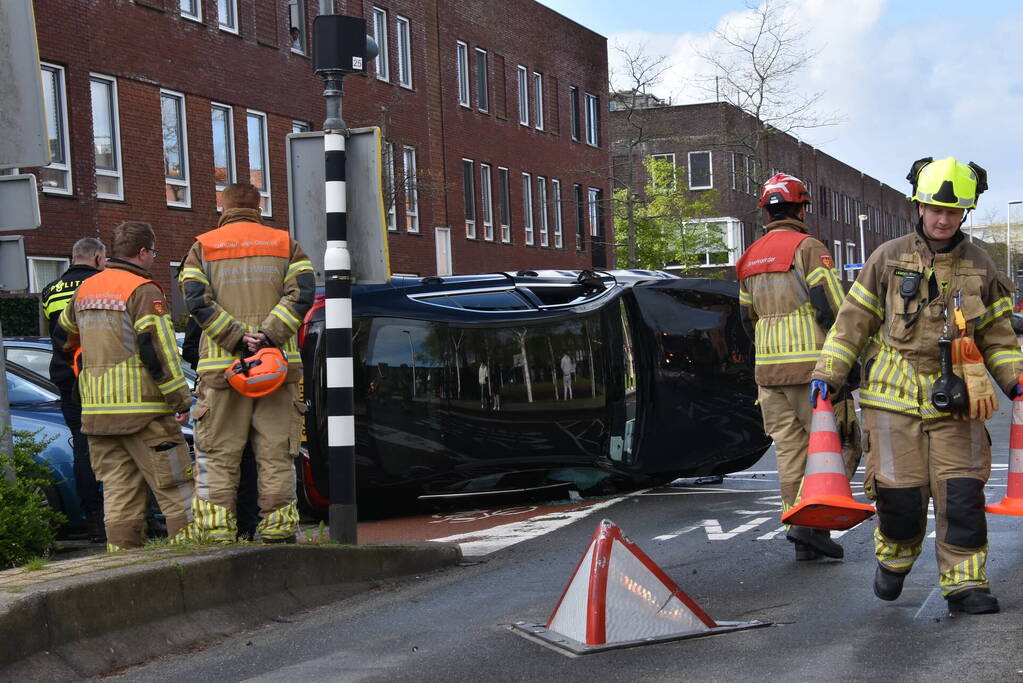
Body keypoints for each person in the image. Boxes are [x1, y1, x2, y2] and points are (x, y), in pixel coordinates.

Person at [812, 157, 1023, 614]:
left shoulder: (980, 264)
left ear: (965, 212)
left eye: (953, 211)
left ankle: (966, 585)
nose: (943, 219)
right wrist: (828, 373)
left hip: (960, 399)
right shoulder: (887, 257)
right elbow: (853, 321)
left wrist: (1016, 380)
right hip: (893, 398)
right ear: (919, 206)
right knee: (901, 499)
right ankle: (895, 560)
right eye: (934, 209)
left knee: (962, 496)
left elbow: (997, 336)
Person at [180, 182, 314, 543]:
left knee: (217, 456)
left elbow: (195, 300)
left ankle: (216, 534)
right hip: (276, 369)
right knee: (275, 455)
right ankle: (278, 530)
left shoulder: (202, 247)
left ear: (221, 205)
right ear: (260, 206)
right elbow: (302, 295)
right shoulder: (285, 245)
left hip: (222, 372)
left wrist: (236, 338)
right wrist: (266, 338)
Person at [58, 222, 195, 550]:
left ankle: (123, 564)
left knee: (120, 495)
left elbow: (64, 336)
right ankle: (195, 559)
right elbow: (158, 351)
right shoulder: (144, 290)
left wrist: (87, 378)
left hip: (98, 415)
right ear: (143, 252)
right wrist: (180, 400)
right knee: (177, 490)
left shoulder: (85, 290)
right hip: (144, 414)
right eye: (154, 252)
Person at [736, 173, 847, 562]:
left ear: (767, 211)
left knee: (790, 450)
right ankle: (809, 525)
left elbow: (746, 316)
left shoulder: (749, 256)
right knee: (842, 441)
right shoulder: (808, 247)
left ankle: (801, 531)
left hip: (768, 372)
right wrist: (852, 359)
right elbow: (833, 307)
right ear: (801, 208)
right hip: (811, 368)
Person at [41, 237, 107, 542]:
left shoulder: (49, 290)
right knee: (121, 444)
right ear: (96, 257)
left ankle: (94, 521)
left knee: (82, 448)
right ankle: (130, 515)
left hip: (67, 376)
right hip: (102, 373)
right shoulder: (104, 283)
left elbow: (50, 336)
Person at [181, 317, 260, 541]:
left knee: (244, 463)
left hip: (248, 387)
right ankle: (228, 530)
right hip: (220, 390)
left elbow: (188, 349)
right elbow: (189, 349)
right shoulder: (205, 311)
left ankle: (243, 530)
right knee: (223, 461)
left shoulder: (208, 307)